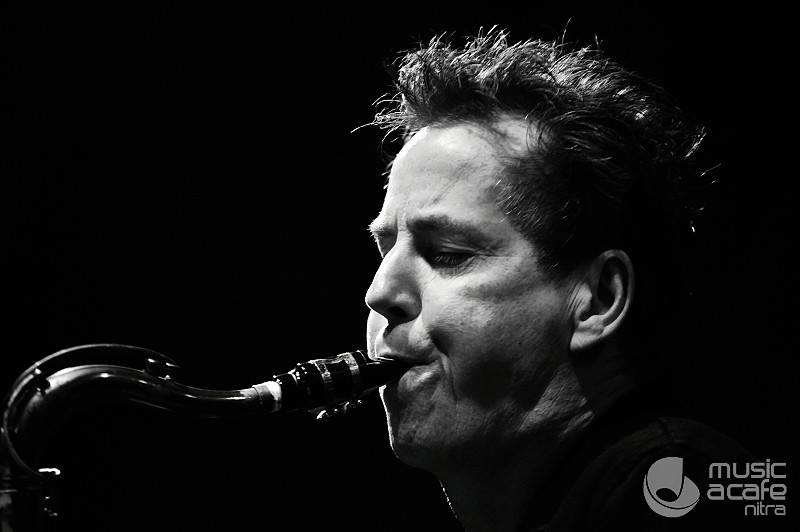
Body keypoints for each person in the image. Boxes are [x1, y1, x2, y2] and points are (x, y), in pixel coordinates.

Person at [363, 29, 762, 531]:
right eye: (384, 250)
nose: (379, 293)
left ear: (598, 299)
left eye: (447, 255)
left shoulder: (684, 487)